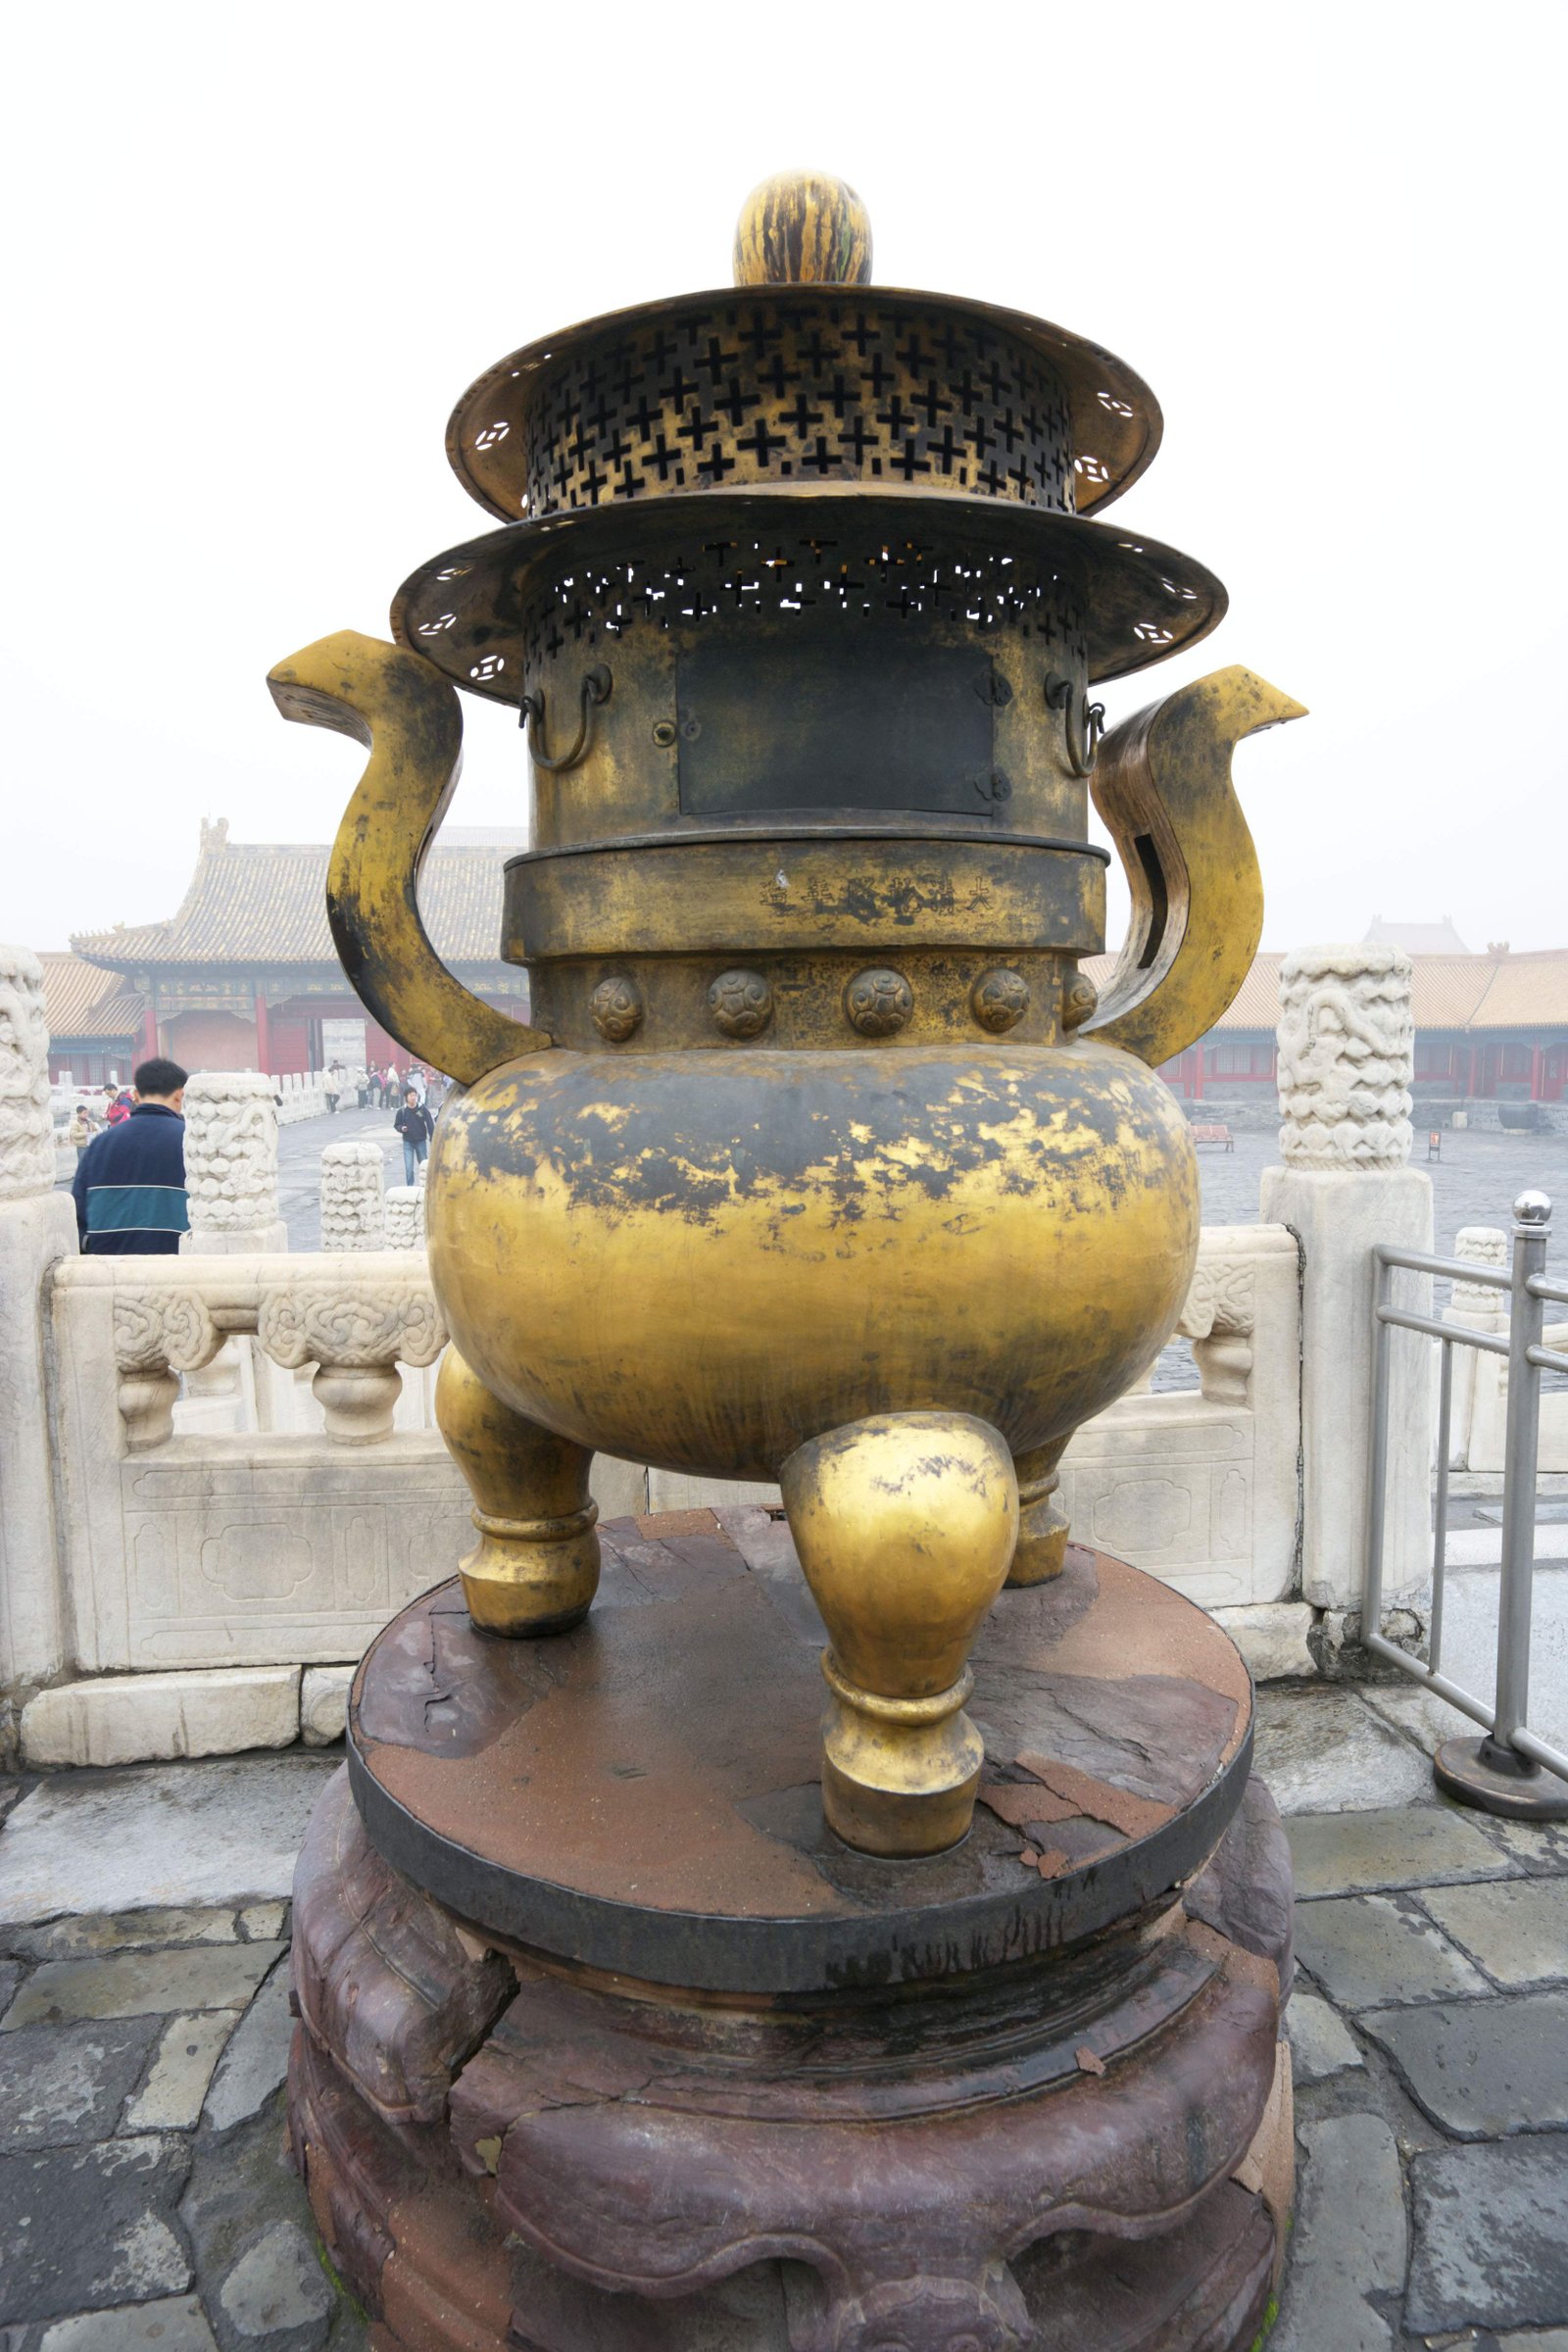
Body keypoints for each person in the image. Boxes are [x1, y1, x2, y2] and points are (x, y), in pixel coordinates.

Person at [72, 1057, 190, 1255]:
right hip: (177, 1264)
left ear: (135, 1095)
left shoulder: (101, 1143)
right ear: (180, 1096)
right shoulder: (191, 1141)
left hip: (111, 1267)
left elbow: (78, 1211)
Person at [394, 1087, 433, 1186]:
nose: (413, 1097)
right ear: (406, 1097)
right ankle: (410, 1188)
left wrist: (432, 1137)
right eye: (411, 1095)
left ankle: (426, 1186)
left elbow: (430, 1123)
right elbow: (396, 1124)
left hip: (421, 1141)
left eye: (415, 1095)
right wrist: (401, 1128)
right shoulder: (402, 1111)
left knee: (424, 1166)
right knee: (409, 1168)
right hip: (408, 1142)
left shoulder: (422, 1108)